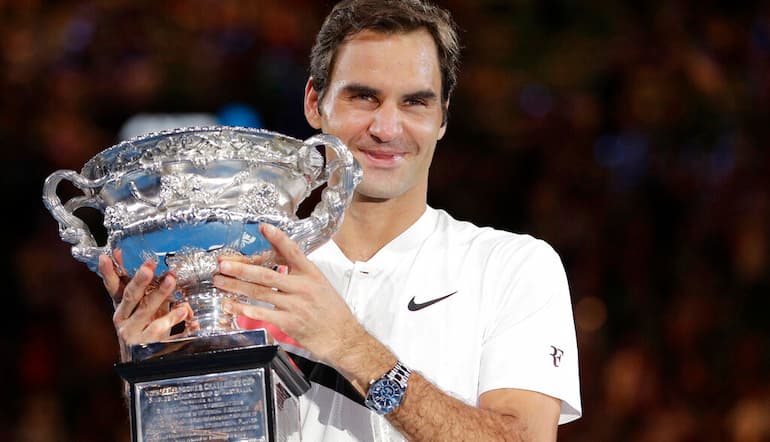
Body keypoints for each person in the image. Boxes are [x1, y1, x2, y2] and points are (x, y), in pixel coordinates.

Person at [99, 0, 582, 440]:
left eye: (415, 102)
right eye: (363, 97)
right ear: (315, 103)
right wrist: (152, 377)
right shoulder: (235, 271)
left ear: (443, 118)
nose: (387, 128)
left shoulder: (512, 267)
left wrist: (353, 348)